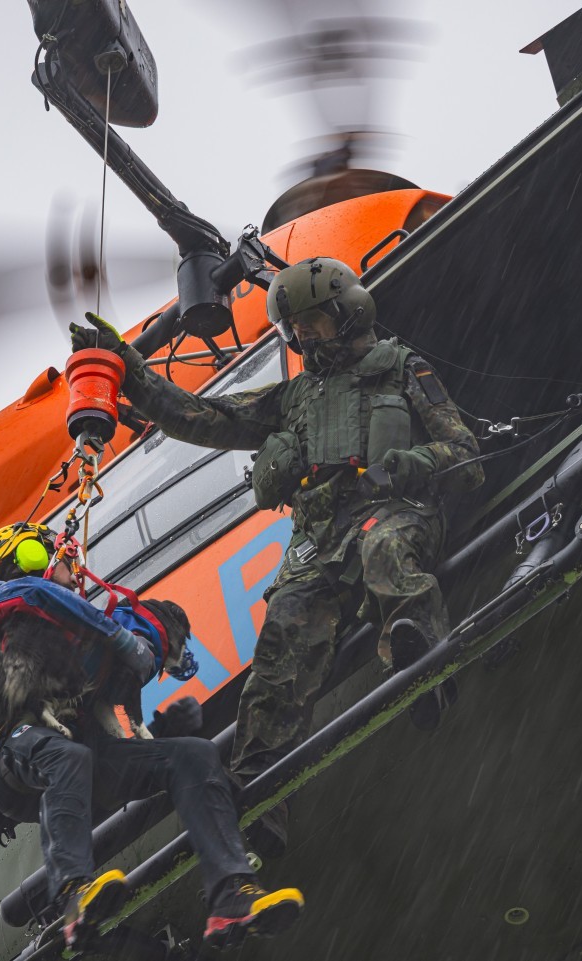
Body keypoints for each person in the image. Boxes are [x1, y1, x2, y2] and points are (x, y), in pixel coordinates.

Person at [72, 255, 484, 853]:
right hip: (317, 538)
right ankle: (262, 795)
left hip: (392, 508)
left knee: (386, 552)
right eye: (297, 326)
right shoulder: (291, 399)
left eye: (313, 320)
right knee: (280, 649)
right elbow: (206, 417)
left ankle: (421, 663)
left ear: (346, 312)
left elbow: (463, 450)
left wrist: (418, 464)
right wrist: (130, 370)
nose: (303, 334)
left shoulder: (400, 368)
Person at [0, 522, 303, 949]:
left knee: (191, 756)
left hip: (75, 751)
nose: (67, 561)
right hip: (8, 748)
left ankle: (231, 893)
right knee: (65, 759)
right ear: (21, 558)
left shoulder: (58, 622)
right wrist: (121, 640)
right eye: (49, 552)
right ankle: (73, 895)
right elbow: (39, 596)